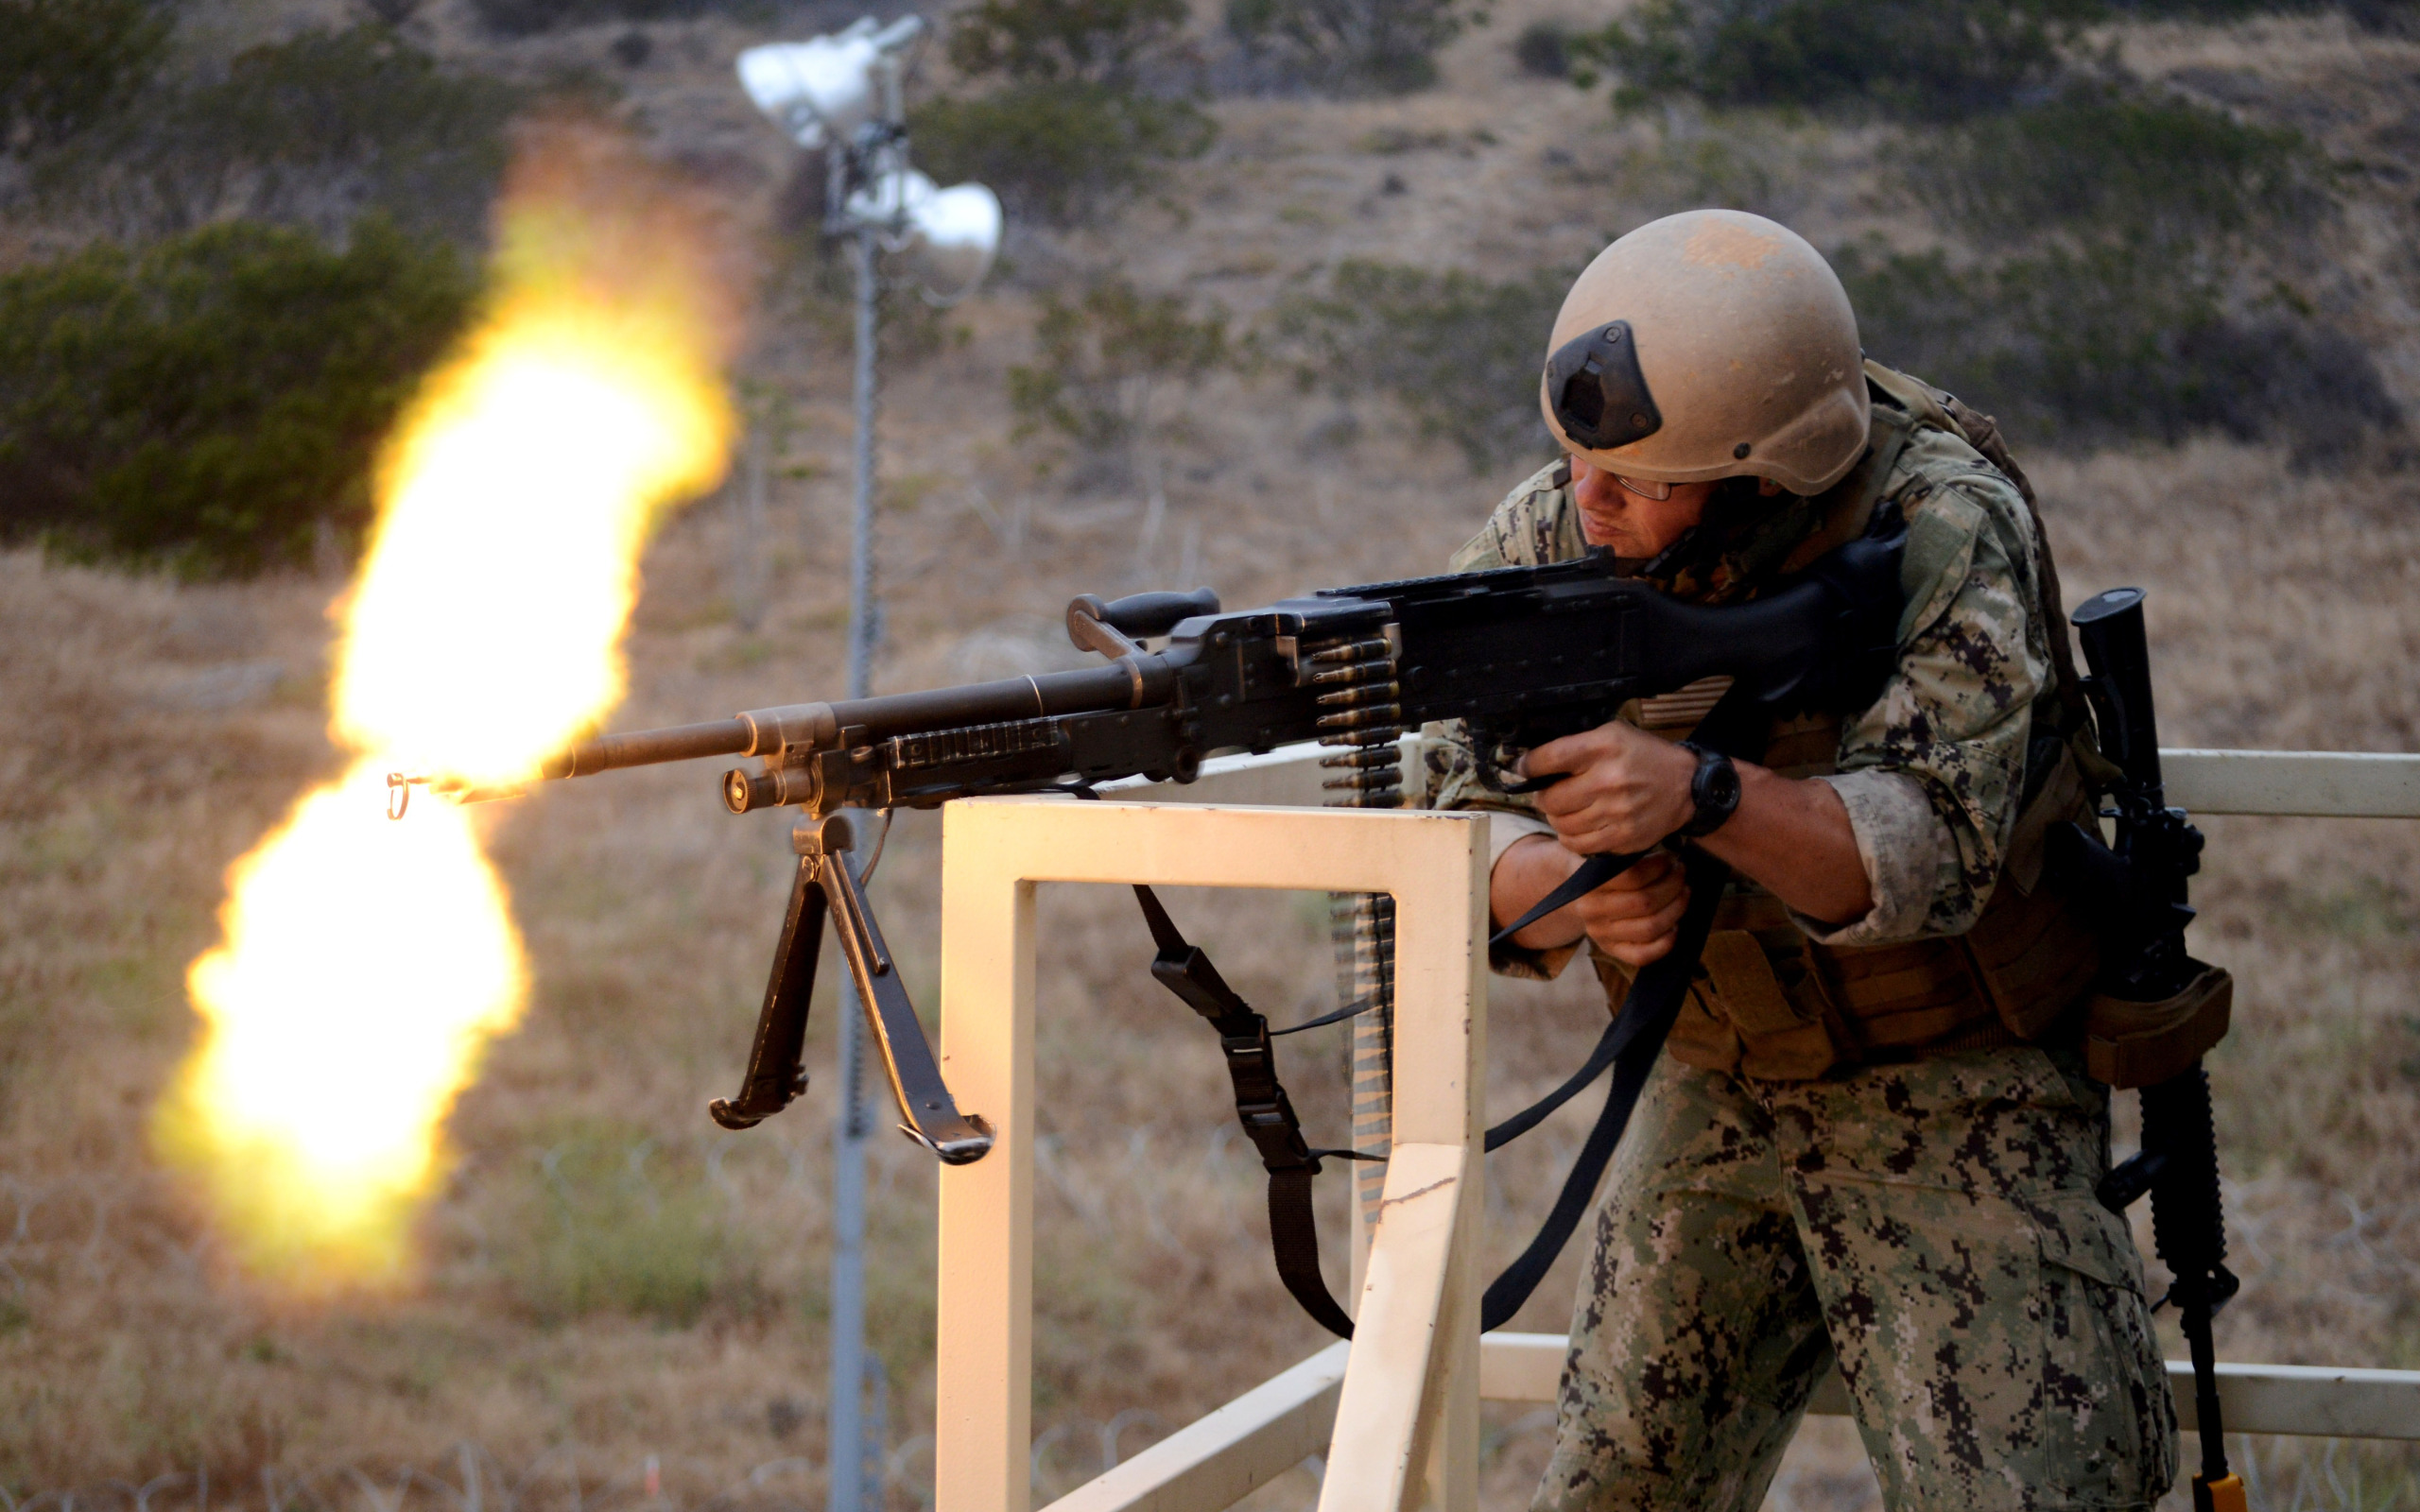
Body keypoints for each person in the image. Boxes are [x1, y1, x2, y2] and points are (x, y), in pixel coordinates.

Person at [1423, 209, 2180, 1511]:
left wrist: (1701, 793)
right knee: (1617, 1485)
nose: (1583, 501)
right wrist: (1564, 894)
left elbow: (1934, 851)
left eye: (1637, 478)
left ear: (1764, 471)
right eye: (1574, 459)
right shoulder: (1560, 525)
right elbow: (1447, 812)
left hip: (1956, 1086)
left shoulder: (1942, 523)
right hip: (1717, 1071)